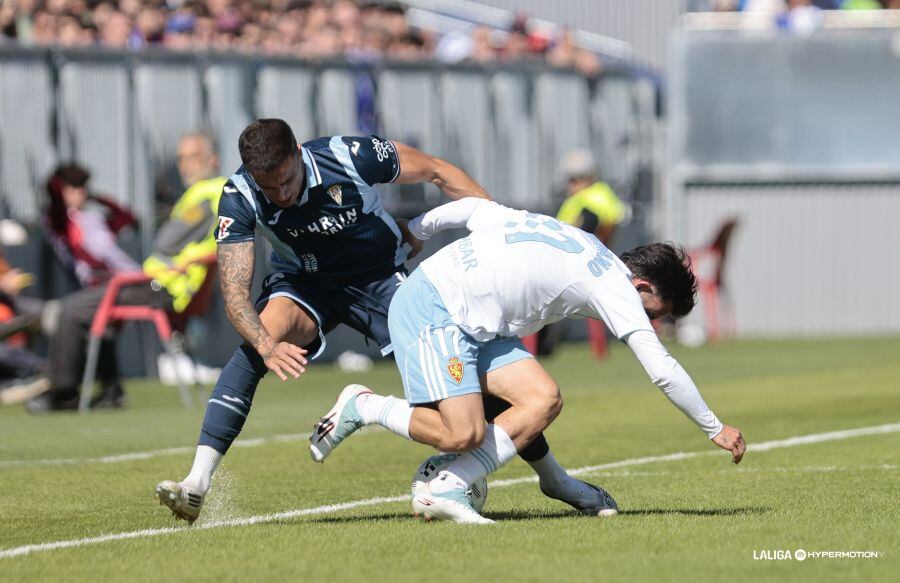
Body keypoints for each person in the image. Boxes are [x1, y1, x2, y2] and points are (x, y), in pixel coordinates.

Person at [154, 119, 606, 525]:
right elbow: (234, 292)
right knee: (257, 344)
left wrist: (494, 226)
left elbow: (437, 170)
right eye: (270, 189)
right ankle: (197, 483)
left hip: (383, 282)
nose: (282, 195)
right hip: (305, 283)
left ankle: (555, 479)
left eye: (288, 181)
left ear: (298, 153)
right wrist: (268, 346)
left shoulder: (348, 155)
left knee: (472, 384)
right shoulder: (239, 193)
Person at [309, 198, 747, 524]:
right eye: (656, 312)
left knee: (541, 397)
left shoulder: (585, 243)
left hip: (475, 324)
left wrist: (421, 227)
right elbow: (663, 370)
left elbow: (474, 209)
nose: (651, 321)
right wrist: (715, 427)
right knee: (461, 434)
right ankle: (375, 416)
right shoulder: (615, 285)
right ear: (643, 285)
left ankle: (554, 482)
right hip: (435, 310)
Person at [25, 133, 226, 412]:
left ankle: (64, 391)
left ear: (213, 159)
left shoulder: (207, 194)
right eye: (180, 158)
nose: (184, 165)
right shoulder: (218, 193)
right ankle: (110, 390)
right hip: (162, 284)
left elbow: (166, 241)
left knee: (70, 309)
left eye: (193, 157)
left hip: (162, 286)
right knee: (93, 307)